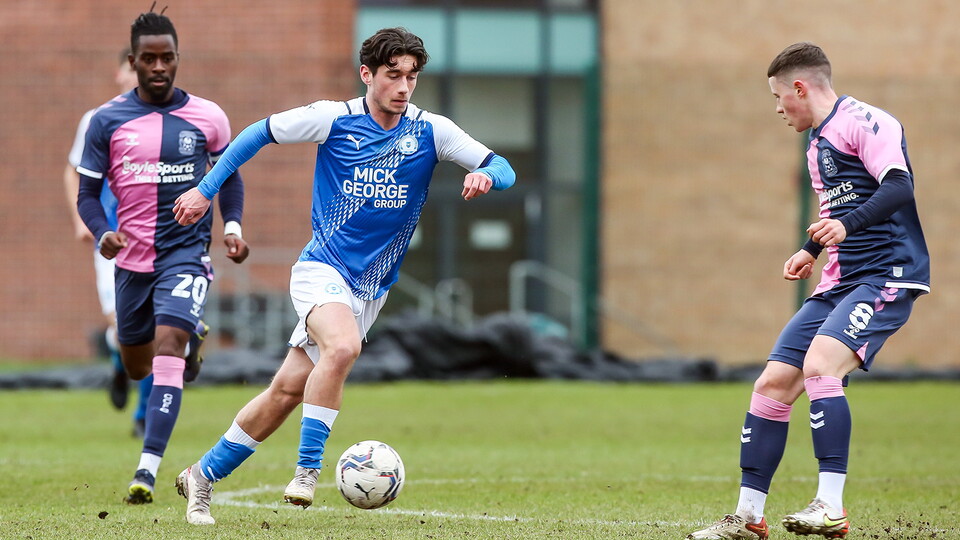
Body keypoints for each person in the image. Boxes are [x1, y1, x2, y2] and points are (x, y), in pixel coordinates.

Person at [171, 27, 516, 525]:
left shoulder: (431, 131)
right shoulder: (332, 118)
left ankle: (202, 476)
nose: (403, 86)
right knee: (344, 348)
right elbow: (257, 133)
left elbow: (501, 165)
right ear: (367, 75)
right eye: (393, 75)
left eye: (412, 77)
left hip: (369, 289)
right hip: (321, 269)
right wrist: (206, 190)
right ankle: (308, 471)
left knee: (287, 391)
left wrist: (485, 175)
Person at [687, 42, 929, 540]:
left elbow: (899, 186)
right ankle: (748, 517)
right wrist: (809, 251)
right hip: (839, 281)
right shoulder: (817, 143)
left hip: (887, 273)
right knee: (772, 385)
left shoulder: (867, 121)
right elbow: (836, 211)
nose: (778, 108)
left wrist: (845, 227)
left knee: (821, 365)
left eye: (779, 97)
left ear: (800, 87)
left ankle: (830, 506)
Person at [77, 7, 250, 505]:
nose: (158, 67)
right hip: (130, 261)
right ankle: (191, 338)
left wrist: (232, 228)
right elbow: (87, 195)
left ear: (178, 59)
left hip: (185, 253)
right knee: (137, 365)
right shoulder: (105, 121)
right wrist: (101, 232)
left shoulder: (208, 117)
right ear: (133, 61)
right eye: (148, 58)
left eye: (167, 58)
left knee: (168, 348)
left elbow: (230, 176)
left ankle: (147, 469)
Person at [65, 47, 155, 438]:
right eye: (132, 70)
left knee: (154, 327)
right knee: (123, 327)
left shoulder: (167, 120)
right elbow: (73, 173)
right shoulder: (98, 119)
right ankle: (120, 366)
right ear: (120, 75)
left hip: (155, 242)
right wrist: (82, 220)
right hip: (113, 241)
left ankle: (143, 416)